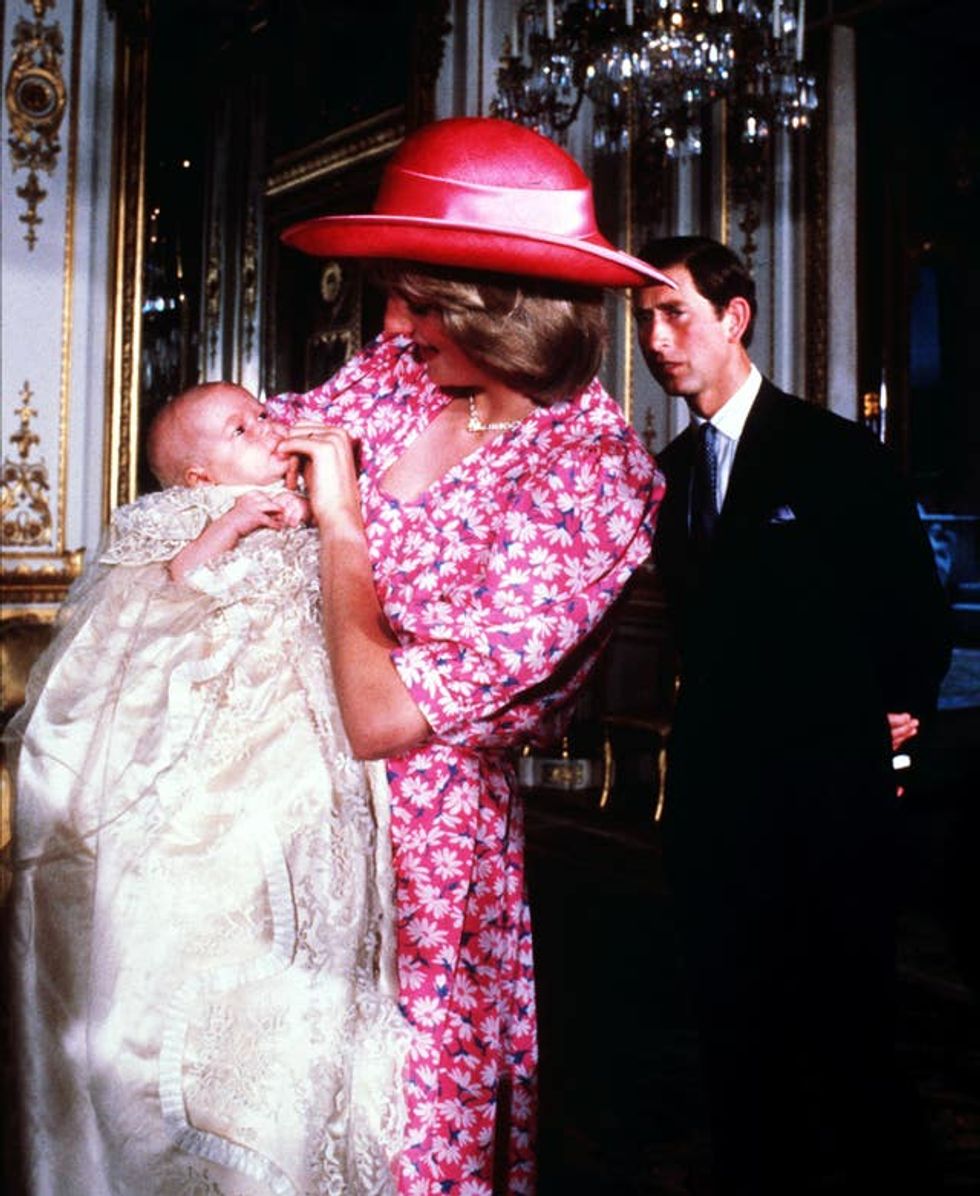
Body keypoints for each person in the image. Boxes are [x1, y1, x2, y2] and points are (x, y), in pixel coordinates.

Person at [261, 115, 671, 1194]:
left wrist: (340, 525)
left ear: (503, 309)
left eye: (422, 299)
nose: (391, 320)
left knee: (402, 1129)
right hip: (277, 803)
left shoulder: (594, 479)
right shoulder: (399, 373)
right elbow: (252, 465)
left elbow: (385, 717)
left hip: (428, 861)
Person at [6, 382, 411, 1195]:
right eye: (241, 427)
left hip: (312, 742)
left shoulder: (317, 502)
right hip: (212, 751)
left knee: (308, 931)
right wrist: (229, 527)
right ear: (197, 479)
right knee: (205, 928)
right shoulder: (183, 519)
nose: (269, 427)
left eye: (264, 412)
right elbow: (151, 603)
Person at [634, 235, 951, 1195]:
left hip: (827, 810)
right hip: (715, 814)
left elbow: (912, 604)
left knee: (853, 1051)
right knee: (737, 1057)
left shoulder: (831, 451)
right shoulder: (674, 470)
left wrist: (899, 708)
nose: (654, 338)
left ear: (733, 319)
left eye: (674, 313)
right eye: (644, 319)